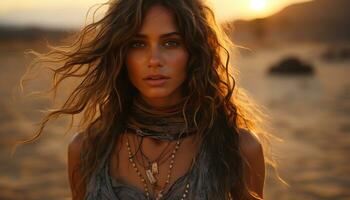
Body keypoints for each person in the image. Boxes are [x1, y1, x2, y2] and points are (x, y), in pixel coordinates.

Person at [18, 0, 274, 199]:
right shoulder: (86, 150)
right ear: (121, 53)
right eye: (138, 44)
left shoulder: (238, 148)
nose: (154, 60)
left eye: (171, 43)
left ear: (195, 52)